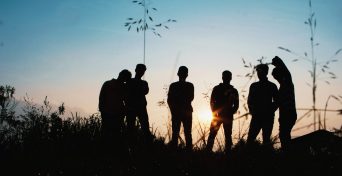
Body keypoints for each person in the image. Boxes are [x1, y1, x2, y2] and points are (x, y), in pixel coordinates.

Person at [206, 70, 239, 154]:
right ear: (223, 77)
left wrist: (231, 112)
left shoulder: (233, 90)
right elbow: (212, 102)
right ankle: (207, 152)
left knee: (227, 135)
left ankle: (227, 153)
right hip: (217, 116)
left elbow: (236, 104)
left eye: (228, 76)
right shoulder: (217, 88)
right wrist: (214, 112)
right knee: (213, 134)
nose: (227, 78)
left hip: (226, 116)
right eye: (225, 76)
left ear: (230, 78)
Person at [247, 64, 279, 146]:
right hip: (256, 116)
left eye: (260, 71)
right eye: (257, 71)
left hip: (267, 117)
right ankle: (248, 157)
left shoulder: (272, 86)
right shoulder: (254, 86)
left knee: (266, 140)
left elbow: (277, 101)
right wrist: (253, 111)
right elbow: (249, 101)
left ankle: (265, 157)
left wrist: (270, 111)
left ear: (266, 72)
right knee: (250, 139)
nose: (258, 73)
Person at [98, 69, 132, 146]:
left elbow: (126, 100)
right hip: (109, 113)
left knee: (113, 133)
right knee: (109, 133)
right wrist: (102, 109)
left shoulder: (109, 84)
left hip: (116, 113)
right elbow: (102, 97)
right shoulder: (108, 84)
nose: (124, 79)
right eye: (125, 78)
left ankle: (111, 150)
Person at [271, 56, 297, 151]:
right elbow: (277, 103)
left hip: (289, 114)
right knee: (284, 136)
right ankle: (287, 153)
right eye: (275, 77)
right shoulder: (281, 87)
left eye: (276, 77)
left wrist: (278, 62)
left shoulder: (288, 83)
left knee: (284, 135)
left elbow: (286, 72)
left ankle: (288, 155)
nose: (276, 79)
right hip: (284, 115)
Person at [167, 66, 194, 151]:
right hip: (179, 112)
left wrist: (174, 108)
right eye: (182, 73)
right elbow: (169, 100)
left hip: (185, 112)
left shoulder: (188, 85)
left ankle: (187, 151)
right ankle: (178, 151)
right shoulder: (174, 85)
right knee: (177, 133)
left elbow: (191, 97)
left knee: (186, 133)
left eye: (184, 73)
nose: (183, 74)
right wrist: (173, 110)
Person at [126, 64, 152, 143]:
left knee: (145, 126)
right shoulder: (130, 81)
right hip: (132, 107)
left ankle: (147, 143)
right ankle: (131, 143)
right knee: (131, 127)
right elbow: (126, 93)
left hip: (141, 107)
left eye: (143, 71)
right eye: (140, 70)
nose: (142, 72)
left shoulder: (143, 83)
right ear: (136, 70)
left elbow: (146, 91)